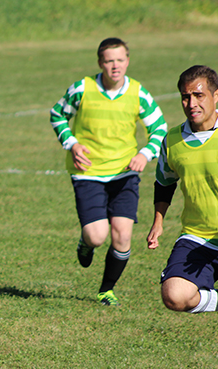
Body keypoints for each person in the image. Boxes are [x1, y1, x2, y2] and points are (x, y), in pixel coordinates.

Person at [49, 37, 167, 305]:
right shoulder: (82, 89)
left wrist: (144, 154)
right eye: (109, 60)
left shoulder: (138, 93)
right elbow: (57, 114)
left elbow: (159, 128)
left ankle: (106, 290)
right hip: (88, 172)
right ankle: (85, 243)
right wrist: (72, 143)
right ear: (100, 63)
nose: (115, 66)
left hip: (125, 173)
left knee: (123, 234)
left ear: (128, 61)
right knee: (97, 235)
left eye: (120, 60)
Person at [147, 65, 218, 339]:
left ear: (216, 95)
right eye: (185, 97)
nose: (191, 103)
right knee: (175, 295)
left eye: (199, 95)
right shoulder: (172, 140)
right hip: (197, 238)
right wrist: (158, 221)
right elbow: (165, 181)